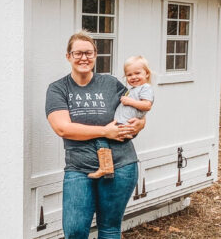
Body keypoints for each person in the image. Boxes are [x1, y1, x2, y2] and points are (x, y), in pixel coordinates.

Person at [45, 31, 146, 239]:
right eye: (78, 53)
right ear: (68, 56)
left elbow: (135, 110)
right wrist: (104, 131)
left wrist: (140, 124)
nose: (84, 58)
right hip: (79, 168)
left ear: (96, 55)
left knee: (109, 228)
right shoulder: (58, 89)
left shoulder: (111, 84)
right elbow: (63, 128)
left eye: (89, 53)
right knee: (74, 231)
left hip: (120, 165)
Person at [88, 56, 154, 179]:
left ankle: (105, 167)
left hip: (125, 124)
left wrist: (129, 102)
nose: (133, 77)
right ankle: (108, 168)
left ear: (147, 74)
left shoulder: (146, 88)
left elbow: (147, 105)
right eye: (129, 75)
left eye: (137, 73)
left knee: (100, 138)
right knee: (106, 139)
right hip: (122, 122)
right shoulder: (133, 89)